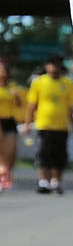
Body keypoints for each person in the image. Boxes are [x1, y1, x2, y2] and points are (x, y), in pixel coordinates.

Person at [23, 56, 73, 194]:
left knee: (59, 155)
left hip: (61, 125)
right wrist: (28, 124)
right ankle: (43, 181)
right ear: (46, 66)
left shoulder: (67, 83)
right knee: (43, 153)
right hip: (44, 124)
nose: (54, 67)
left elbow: (71, 106)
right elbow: (31, 105)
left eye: (57, 64)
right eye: (51, 64)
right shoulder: (39, 82)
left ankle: (56, 181)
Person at [0, 59, 22, 191]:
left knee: (10, 151)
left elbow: (19, 104)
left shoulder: (12, 86)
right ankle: (3, 176)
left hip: (9, 120)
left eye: (3, 69)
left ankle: (6, 174)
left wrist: (16, 97)